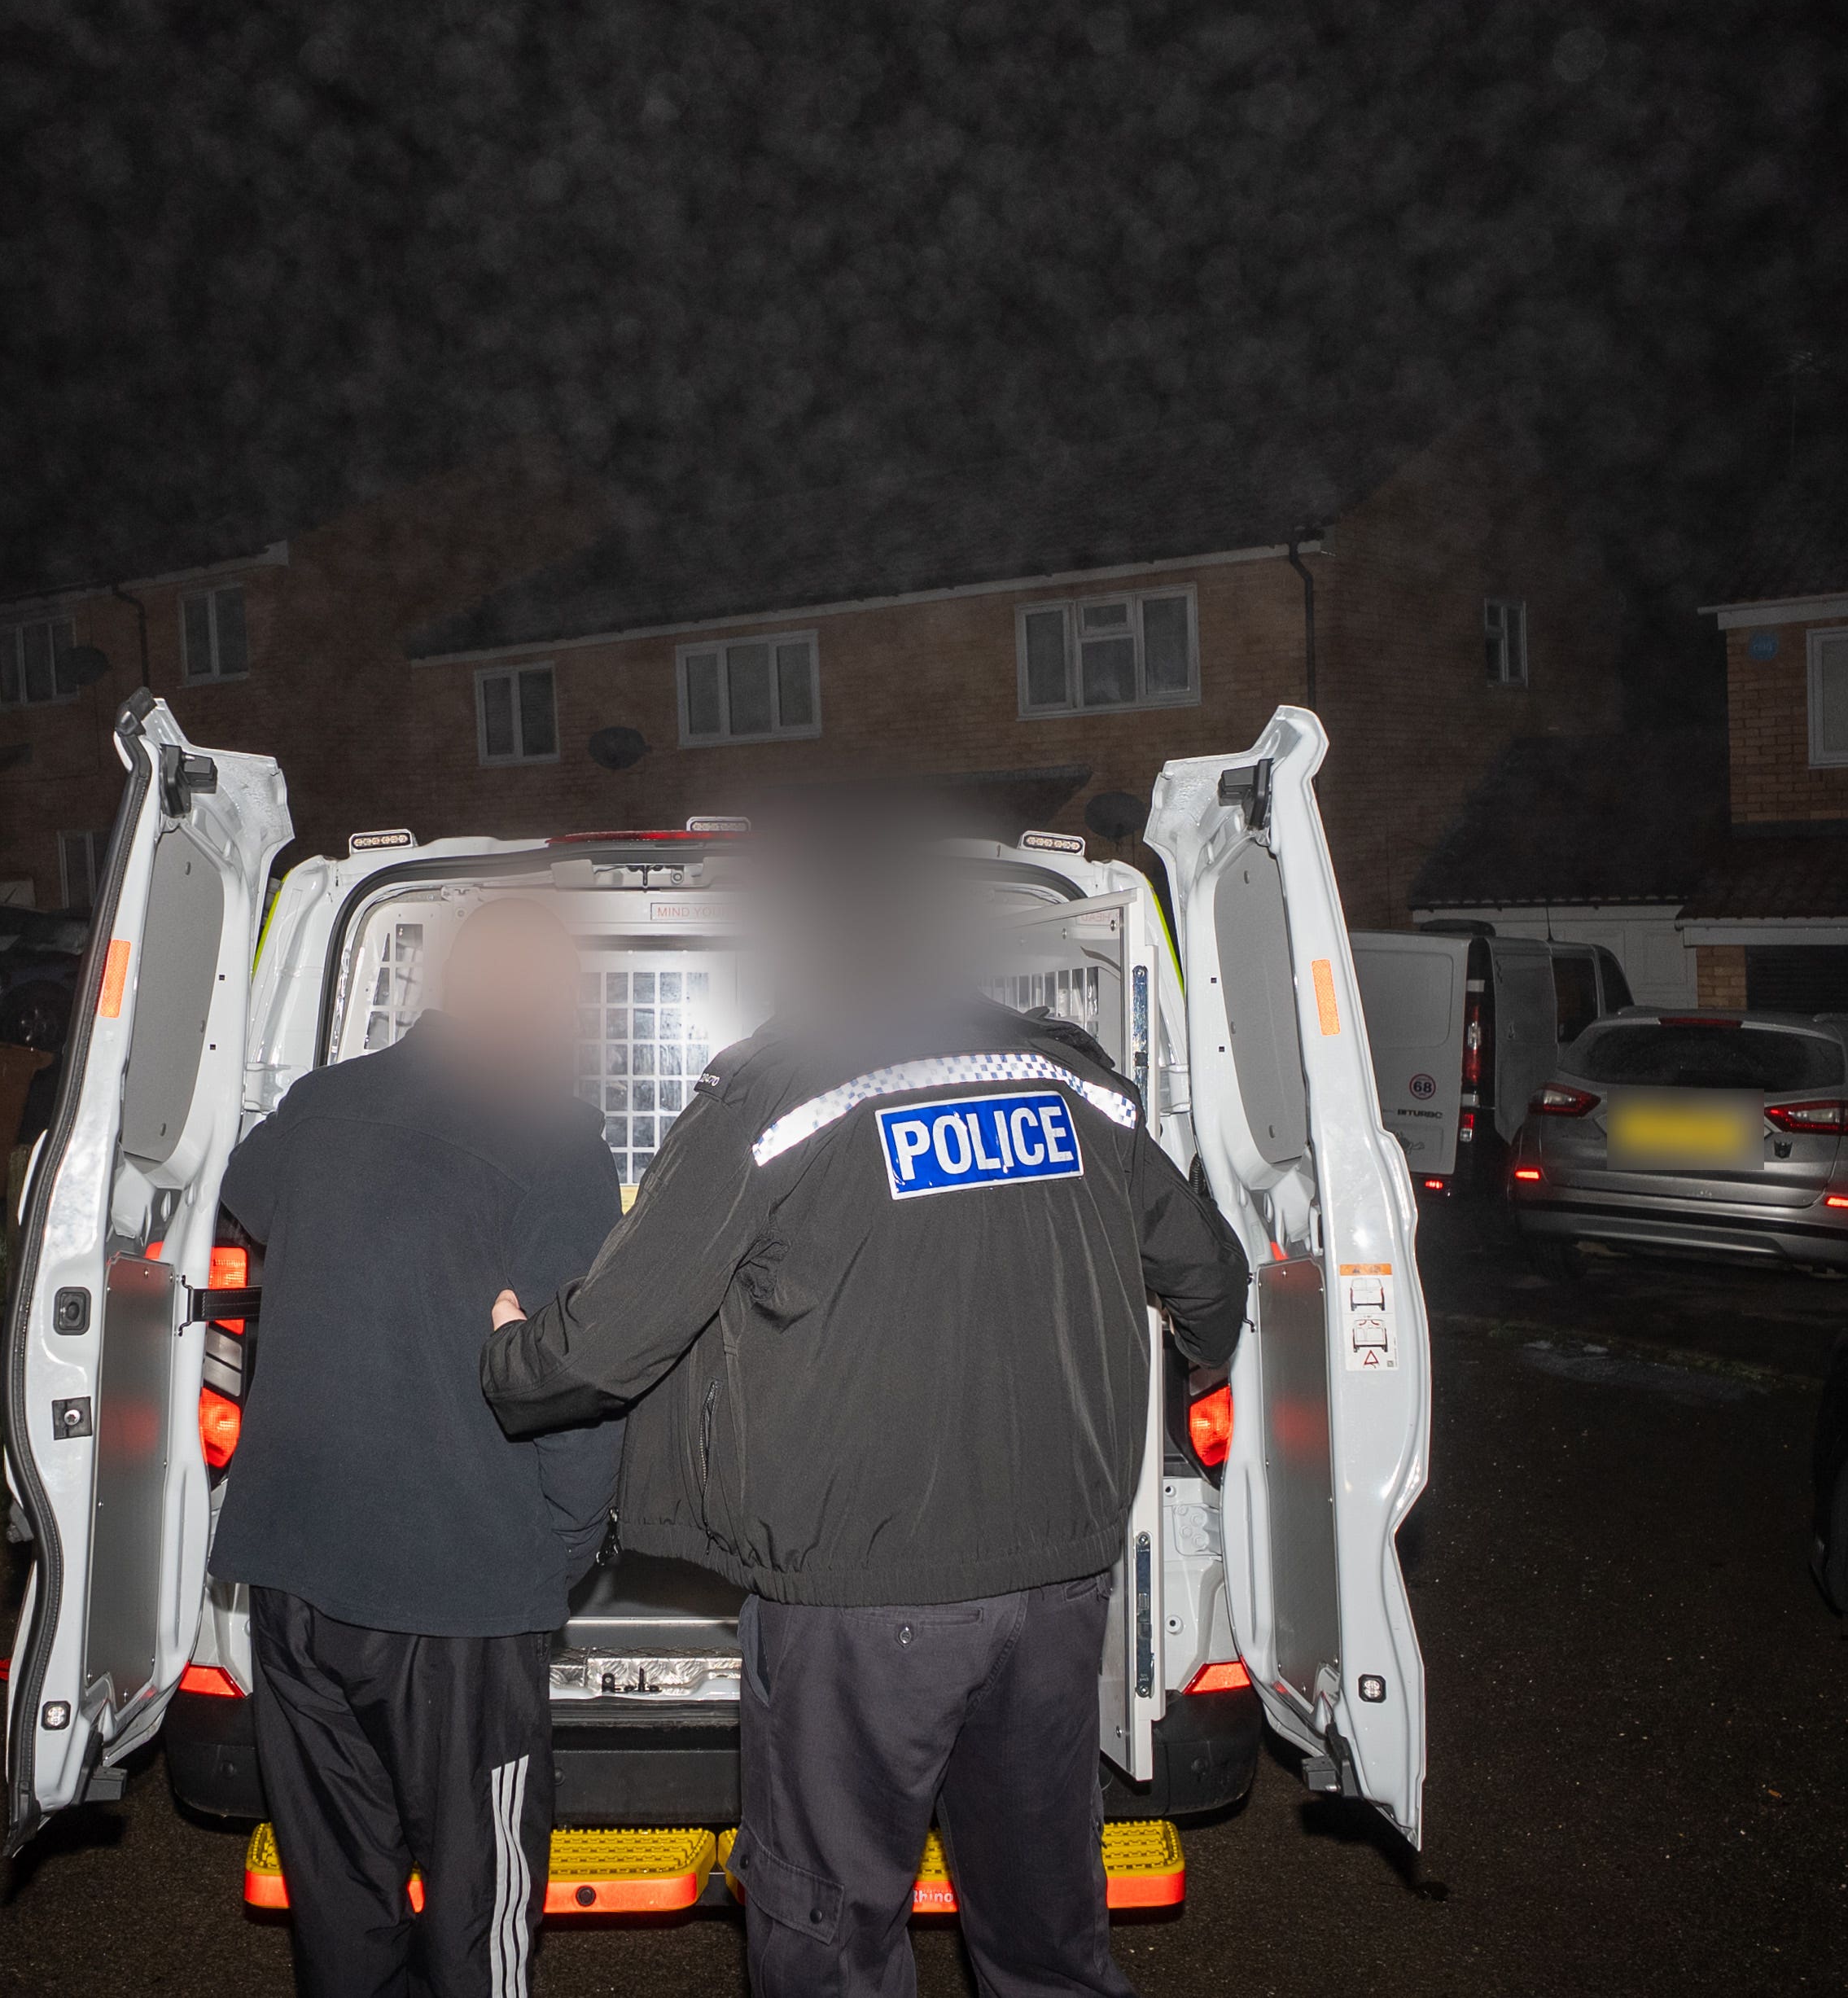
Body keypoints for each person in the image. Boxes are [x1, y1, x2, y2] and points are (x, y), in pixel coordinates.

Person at [479, 840, 1250, 1998]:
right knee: (1046, 1918)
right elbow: (1207, 1280)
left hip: (863, 1596)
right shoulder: (1074, 1083)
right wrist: (1193, 1384)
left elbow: (610, 1340)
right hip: (1058, 1586)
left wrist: (499, 1361)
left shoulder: (779, 1090)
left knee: (828, 1922)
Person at [212, 897, 620, 1998]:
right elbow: (578, 1372)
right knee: (477, 1896)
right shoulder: (554, 1136)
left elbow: (246, 1202)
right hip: (457, 1582)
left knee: (340, 1895)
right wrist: (568, 1543)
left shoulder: (322, 1102)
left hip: (293, 1566)